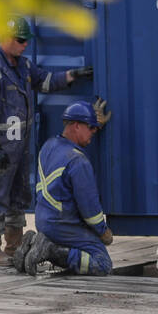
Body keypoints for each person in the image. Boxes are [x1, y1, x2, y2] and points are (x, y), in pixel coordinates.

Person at [0, 16, 91, 266]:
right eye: (20, 40)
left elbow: (45, 81)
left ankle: (14, 246)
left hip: (17, 148)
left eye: (27, 40)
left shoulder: (23, 68)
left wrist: (73, 75)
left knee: (17, 196)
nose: (25, 44)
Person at [15, 99, 114, 276]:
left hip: (43, 222)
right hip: (63, 225)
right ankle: (51, 250)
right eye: (91, 127)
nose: (94, 132)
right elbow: (90, 210)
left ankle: (33, 245)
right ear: (76, 125)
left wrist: (91, 121)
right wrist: (103, 231)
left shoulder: (49, 146)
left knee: (76, 248)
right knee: (102, 263)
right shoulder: (78, 162)